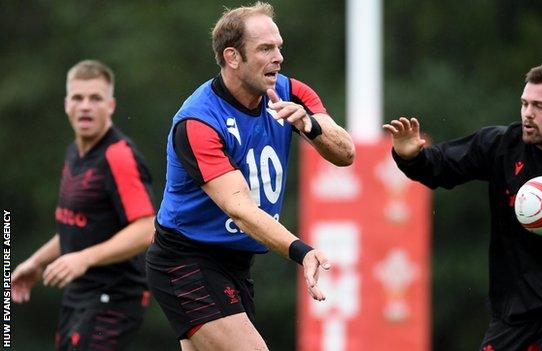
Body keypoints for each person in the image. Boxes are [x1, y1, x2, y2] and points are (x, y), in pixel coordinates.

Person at [145, 2, 355, 350]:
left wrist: (310, 124)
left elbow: (346, 153)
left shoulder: (290, 93)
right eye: (265, 49)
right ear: (232, 57)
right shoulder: (199, 122)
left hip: (235, 266)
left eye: (279, 48)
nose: (278, 58)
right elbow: (240, 209)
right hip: (185, 262)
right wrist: (302, 251)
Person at [383, 63, 542, 351]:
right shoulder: (501, 146)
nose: (527, 114)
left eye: (539, 106)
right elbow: (443, 167)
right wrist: (411, 158)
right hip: (512, 312)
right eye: (524, 104)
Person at [11, 60, 156, 350]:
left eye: (95, 98)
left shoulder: (118, 155)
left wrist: (83, 258)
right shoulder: (74, 154)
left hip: (114, 297)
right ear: (66, 104)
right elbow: (76, 224)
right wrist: (37, 262)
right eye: (78, 98)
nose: (85, 106)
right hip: (79, 294)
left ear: (111, 106)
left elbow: (146, 228)